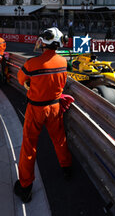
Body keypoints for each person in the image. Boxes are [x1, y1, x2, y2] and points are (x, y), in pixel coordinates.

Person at [14, 27, 72, 203]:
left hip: (35, 109)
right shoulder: (64, 62)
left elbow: (20, 79)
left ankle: (25, 187)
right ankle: (67, 168)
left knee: (29, 146)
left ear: (44, 42)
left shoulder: (32, 64)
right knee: (59, 139)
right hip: (54, 108)